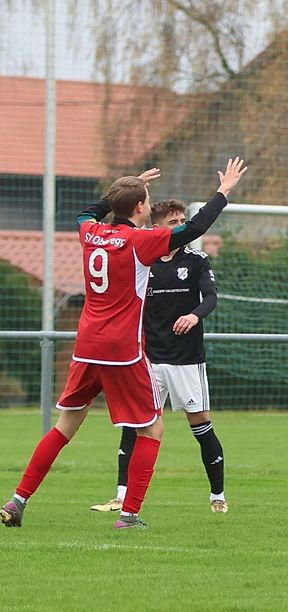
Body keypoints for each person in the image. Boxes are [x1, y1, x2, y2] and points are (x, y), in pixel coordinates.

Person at [1, 157, 247, 530]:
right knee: (152, 429)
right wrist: (223, 191)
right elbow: (195, 227)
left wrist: (122, 188)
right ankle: (129, 515)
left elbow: (87, 212)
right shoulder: (140, 242)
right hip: (122, 350)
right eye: (146, 201)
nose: (150, 206)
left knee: (64, 427)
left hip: (86, 346)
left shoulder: (90, 232)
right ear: (138, 208)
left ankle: (17, 501)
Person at [90, 198, 229, 515]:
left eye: (183, 221)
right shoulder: (144, 260)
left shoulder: (196, 260)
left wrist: (194, 315)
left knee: (201, 425)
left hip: (185, 358)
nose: (180, 227)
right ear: (157, 228)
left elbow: (211, 297)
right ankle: (122, 496)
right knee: (134, 424)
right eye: (173, 222)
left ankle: (217, 495)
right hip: (148, 358)